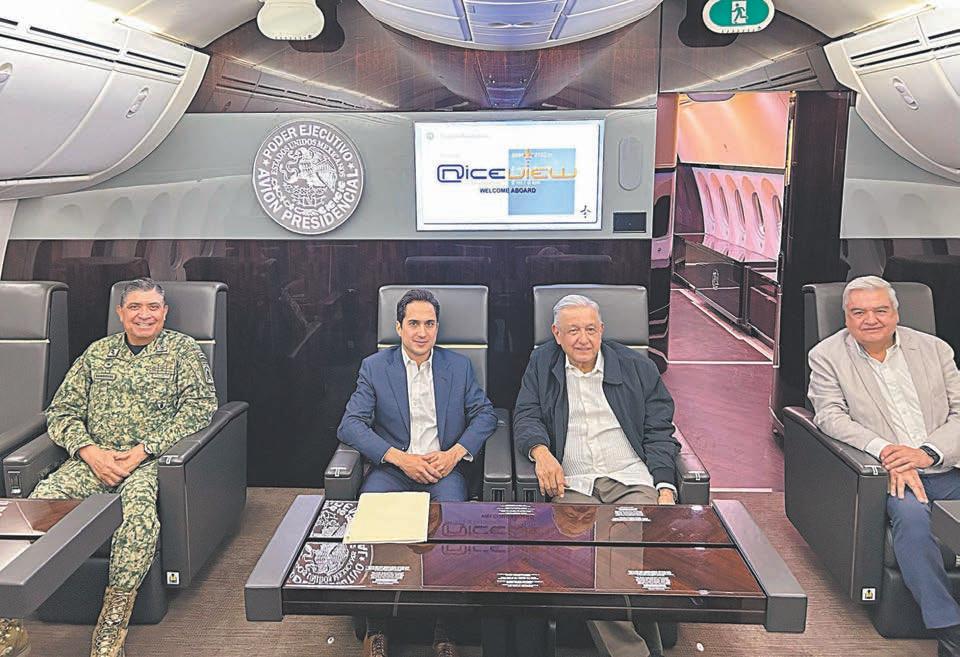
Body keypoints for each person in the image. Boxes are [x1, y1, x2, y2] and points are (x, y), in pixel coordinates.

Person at [0, 278, 218, 657]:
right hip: (92, 461)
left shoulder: (183, 351)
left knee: (138, 519)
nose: (144, 315)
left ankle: (111, 629)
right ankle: (9, 623)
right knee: (34, 509)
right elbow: (62, 412)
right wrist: (89, 451)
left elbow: (199, 408)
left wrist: (142, 451)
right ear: (120, 312)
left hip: (147, 464)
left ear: (165, 312)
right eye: (135, 307)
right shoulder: (97, 353)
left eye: (152, 307)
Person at [513, 294, 680, 657]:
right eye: (573, 330)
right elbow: (526, 416)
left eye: (590, 329)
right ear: (556, 334)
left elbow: (660, 432)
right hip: (573, 484)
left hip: (631, 481)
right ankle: (641, 650)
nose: (583, 339)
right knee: (582, 560)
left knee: (623, 553)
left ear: (602, 330)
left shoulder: (637, 367)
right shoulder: (542, 364)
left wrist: (665, 487)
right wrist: (541, 453)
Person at [338, 288, 498, 657]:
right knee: (372, 523)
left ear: (437, 328)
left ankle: (445, 629)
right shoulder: (375, 367)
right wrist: (398, 457)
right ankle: (377, 628)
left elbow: (485, 414)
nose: (422, 332)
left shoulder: (458, 366)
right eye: (413, 323)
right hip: (393, 468)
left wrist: (454, 454)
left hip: (443, 469)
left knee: (450, 528)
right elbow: (350, 424)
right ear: (398, 327)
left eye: (429, 324)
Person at [808, 276, 960, 656]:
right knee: (912, 521)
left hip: (945, 465)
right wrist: (887, 452)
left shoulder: (935, 349)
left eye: (880, 310)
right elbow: (830, 416)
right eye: (859, 312)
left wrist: (928, 453)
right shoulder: (827, 356)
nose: (870, 319)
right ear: (846, 317)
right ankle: (949, 628)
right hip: (890, 473)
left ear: (896, 312)